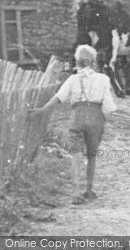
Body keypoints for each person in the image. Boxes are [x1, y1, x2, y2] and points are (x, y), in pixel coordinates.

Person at [28, 45, 117, 204]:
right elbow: (108, 106)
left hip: (77, 116)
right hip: (96, 117)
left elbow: (59, 97)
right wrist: (104, 115)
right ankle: (89, 190)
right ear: (93, 62)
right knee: (92, 155)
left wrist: (42, 109)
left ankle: (76, 192)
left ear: (77, 62)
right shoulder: (103, 79)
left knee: (76, 153)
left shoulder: (73, 79)